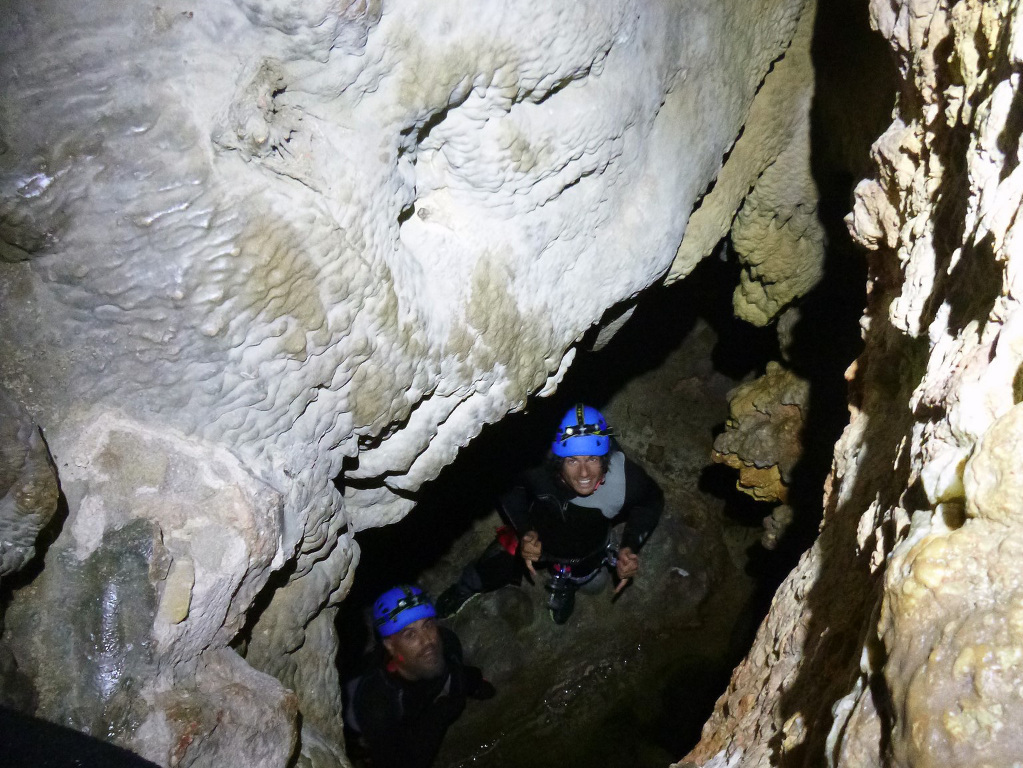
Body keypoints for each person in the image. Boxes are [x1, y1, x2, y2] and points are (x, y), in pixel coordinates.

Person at [436, 404, 663, 624]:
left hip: (586, 549)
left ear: (604, 457)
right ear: (558, 460)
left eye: (592, 459)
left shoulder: (622, 479)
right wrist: (524, 531)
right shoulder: (536, 467)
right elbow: (507, 486)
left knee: (592, 583)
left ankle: (567, 584)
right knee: (491, 568)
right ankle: (466, 587)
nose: (584, 473)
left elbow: (651, 501)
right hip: (537, 534)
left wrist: (630, 545)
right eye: (572, 460)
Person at [348, 585, 494, 768]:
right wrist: (440, 713)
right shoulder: (377, 702)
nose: (427, 641)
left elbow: (456, 671)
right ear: (390, 646)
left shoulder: (446, 642)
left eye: (428, 625)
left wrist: (473, 683)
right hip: (370, 727)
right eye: (410, 634)